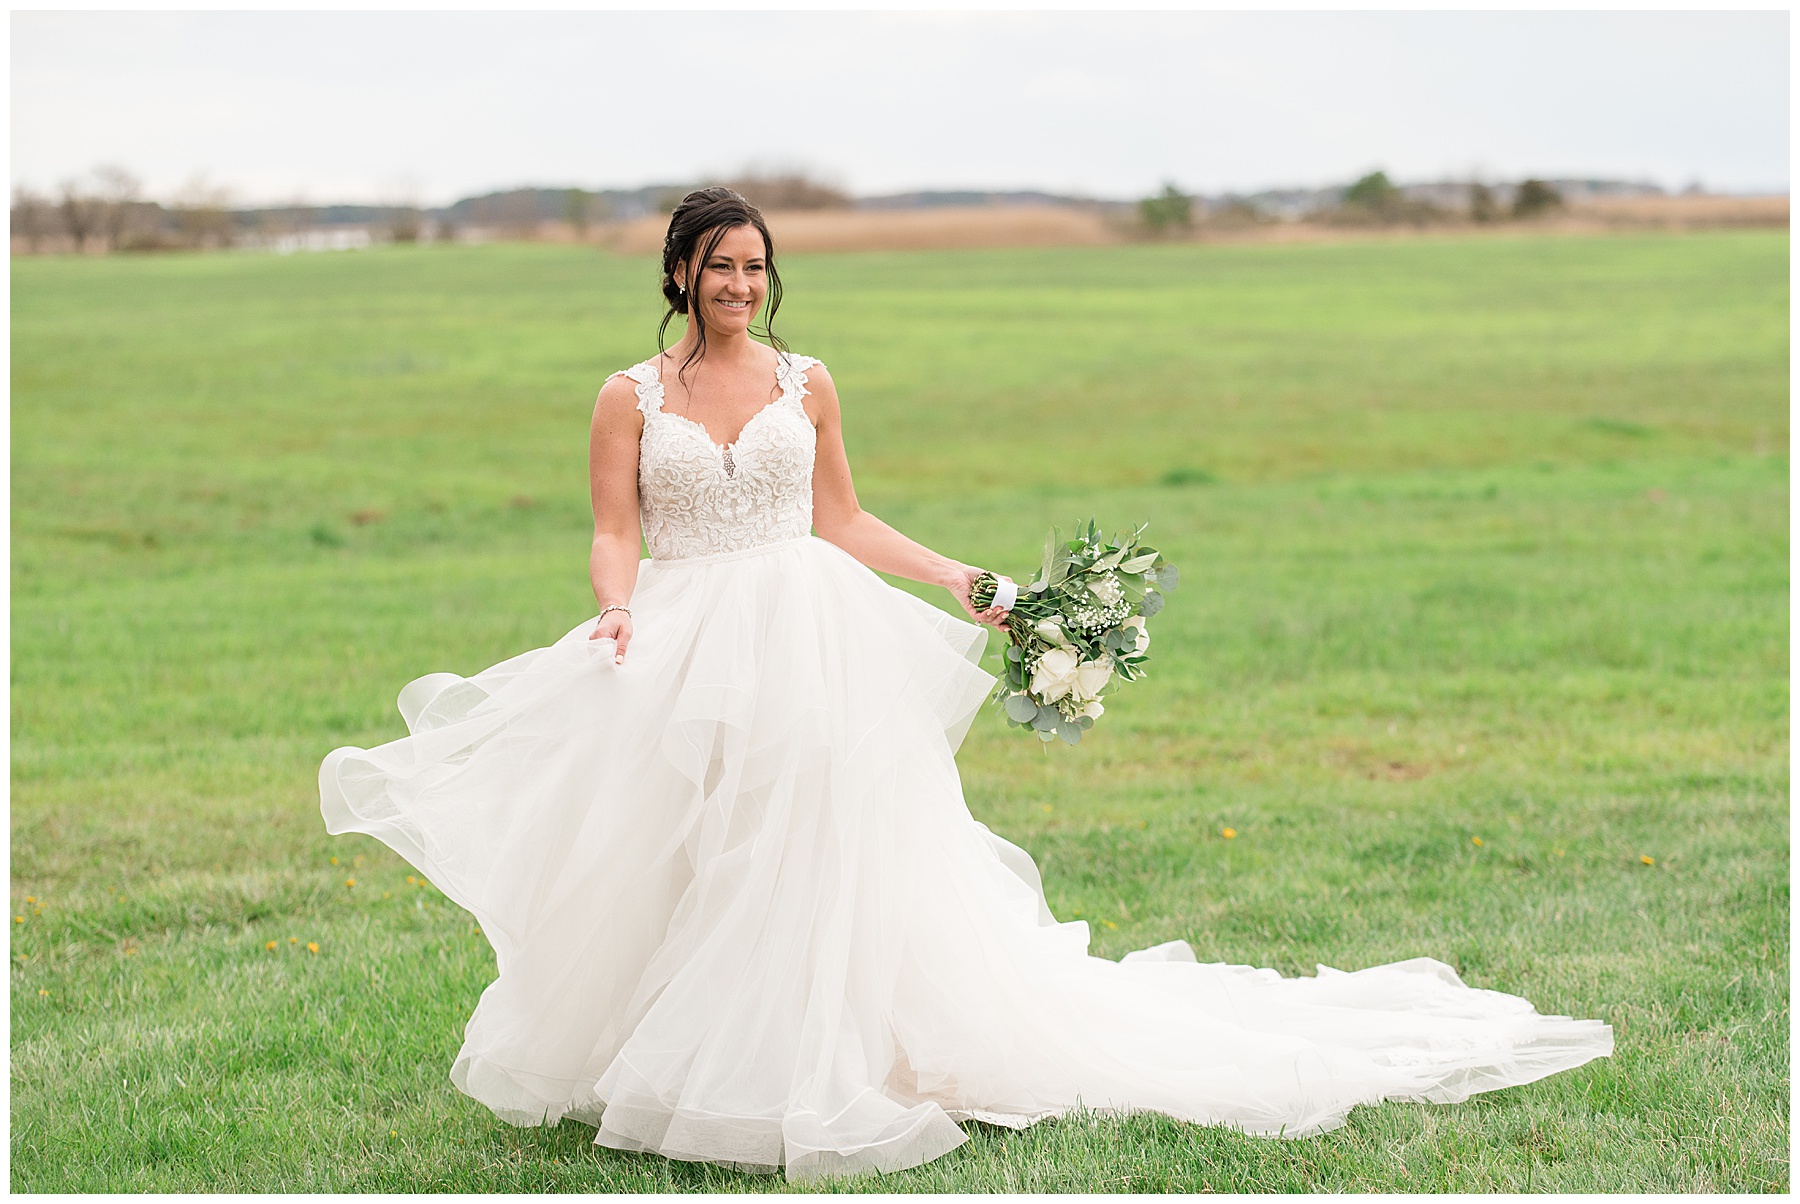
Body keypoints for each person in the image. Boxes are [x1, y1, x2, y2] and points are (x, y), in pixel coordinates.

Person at [320, 187, 1612, 1181]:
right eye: (720, 266)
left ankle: (839, 1055)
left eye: (757, 267)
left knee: (817, 840)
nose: (741, 285)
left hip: (812, 625)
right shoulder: (627, 397)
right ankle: (675, 1053)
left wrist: (957, 578)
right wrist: (614, 610)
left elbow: (844, 517)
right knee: (691, 844)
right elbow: (614, 527)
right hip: (684, 631)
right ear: (679, 274)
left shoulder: (806, 382)